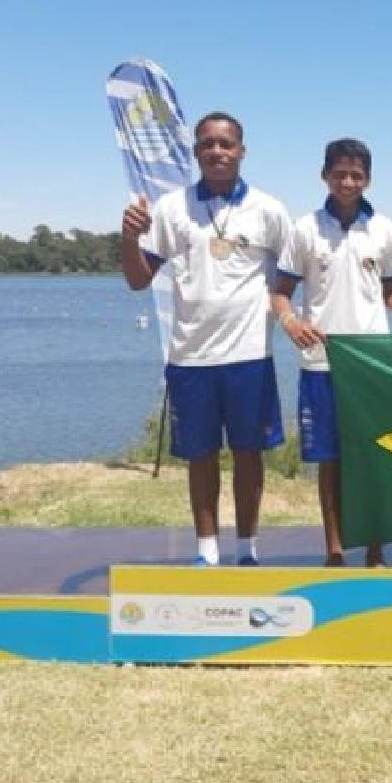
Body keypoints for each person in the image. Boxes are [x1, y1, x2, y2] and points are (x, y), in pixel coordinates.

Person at [120, 112, 290, 567]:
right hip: (191, 355)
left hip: (250, 354)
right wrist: (128, 238)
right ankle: (207, 550)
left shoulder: (269, 210)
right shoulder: (173, 208)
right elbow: (138, 280)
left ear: (242, 151)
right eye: (208, 144)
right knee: (201, 456)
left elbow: (291, 278)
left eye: (226, 144)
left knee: (249, 455)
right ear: (196, 151)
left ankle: (247, 549)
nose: (218, 152)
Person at [270, 138, 392, 568]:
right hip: (322, 362)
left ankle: (375, 550)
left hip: (374, 364)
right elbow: (280, 294)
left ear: (369, 179)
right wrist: (292, 323)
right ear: (325, 176)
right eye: (340, 173)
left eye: (357, 174)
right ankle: (334, 549)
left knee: (373, 460)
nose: (348, 182)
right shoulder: (304, 228)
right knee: (330, 461)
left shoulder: (386, 230)